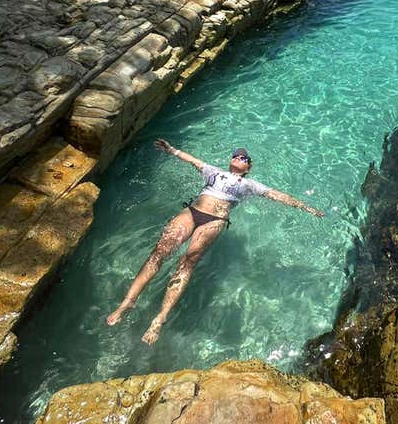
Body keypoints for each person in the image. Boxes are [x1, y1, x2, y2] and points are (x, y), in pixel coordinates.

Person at [107, 138, 325, 344]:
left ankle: (160, 317)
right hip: (193, 211)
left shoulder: (249, 185)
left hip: (214, 220)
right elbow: (193, 161)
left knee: (187, 261)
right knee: (160, 251)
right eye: (236, 155)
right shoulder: (214, 172)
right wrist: (171, 150)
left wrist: (306, 208)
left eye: (244, 158)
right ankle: (128, 301)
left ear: (248, 168)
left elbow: (277, 195)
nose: (239, 157)